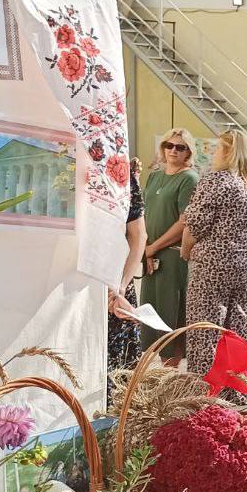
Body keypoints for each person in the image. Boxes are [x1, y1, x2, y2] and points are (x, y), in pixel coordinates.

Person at [180, 129, 247, 380]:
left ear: (228, 151)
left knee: (205, 329)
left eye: (217, 148)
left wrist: (185, 251)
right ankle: (235, 387)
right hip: (244, 265)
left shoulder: (217, 180)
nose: (214, 152)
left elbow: (195, 225)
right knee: (236, 328)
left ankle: (205, 389)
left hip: (212, 264)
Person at [140, 128, 199, 361]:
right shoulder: (155, 175)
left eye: (180, 147)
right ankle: (160, 377)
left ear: (188, 152)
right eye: (169, 145)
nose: (173, 150)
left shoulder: (189, 179)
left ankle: (171, 376)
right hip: (149, 254)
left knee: (170, 314)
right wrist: (144, 248)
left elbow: (184, 222)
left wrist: (153, 248)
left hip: (172, 257)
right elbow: (145, 212)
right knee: (150, 314)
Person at [106, 170, 147, 400]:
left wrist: (120, 286)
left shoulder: (122, 174)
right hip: (112, 286)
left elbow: (139, 235)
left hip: (115, 288)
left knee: (116, 379)